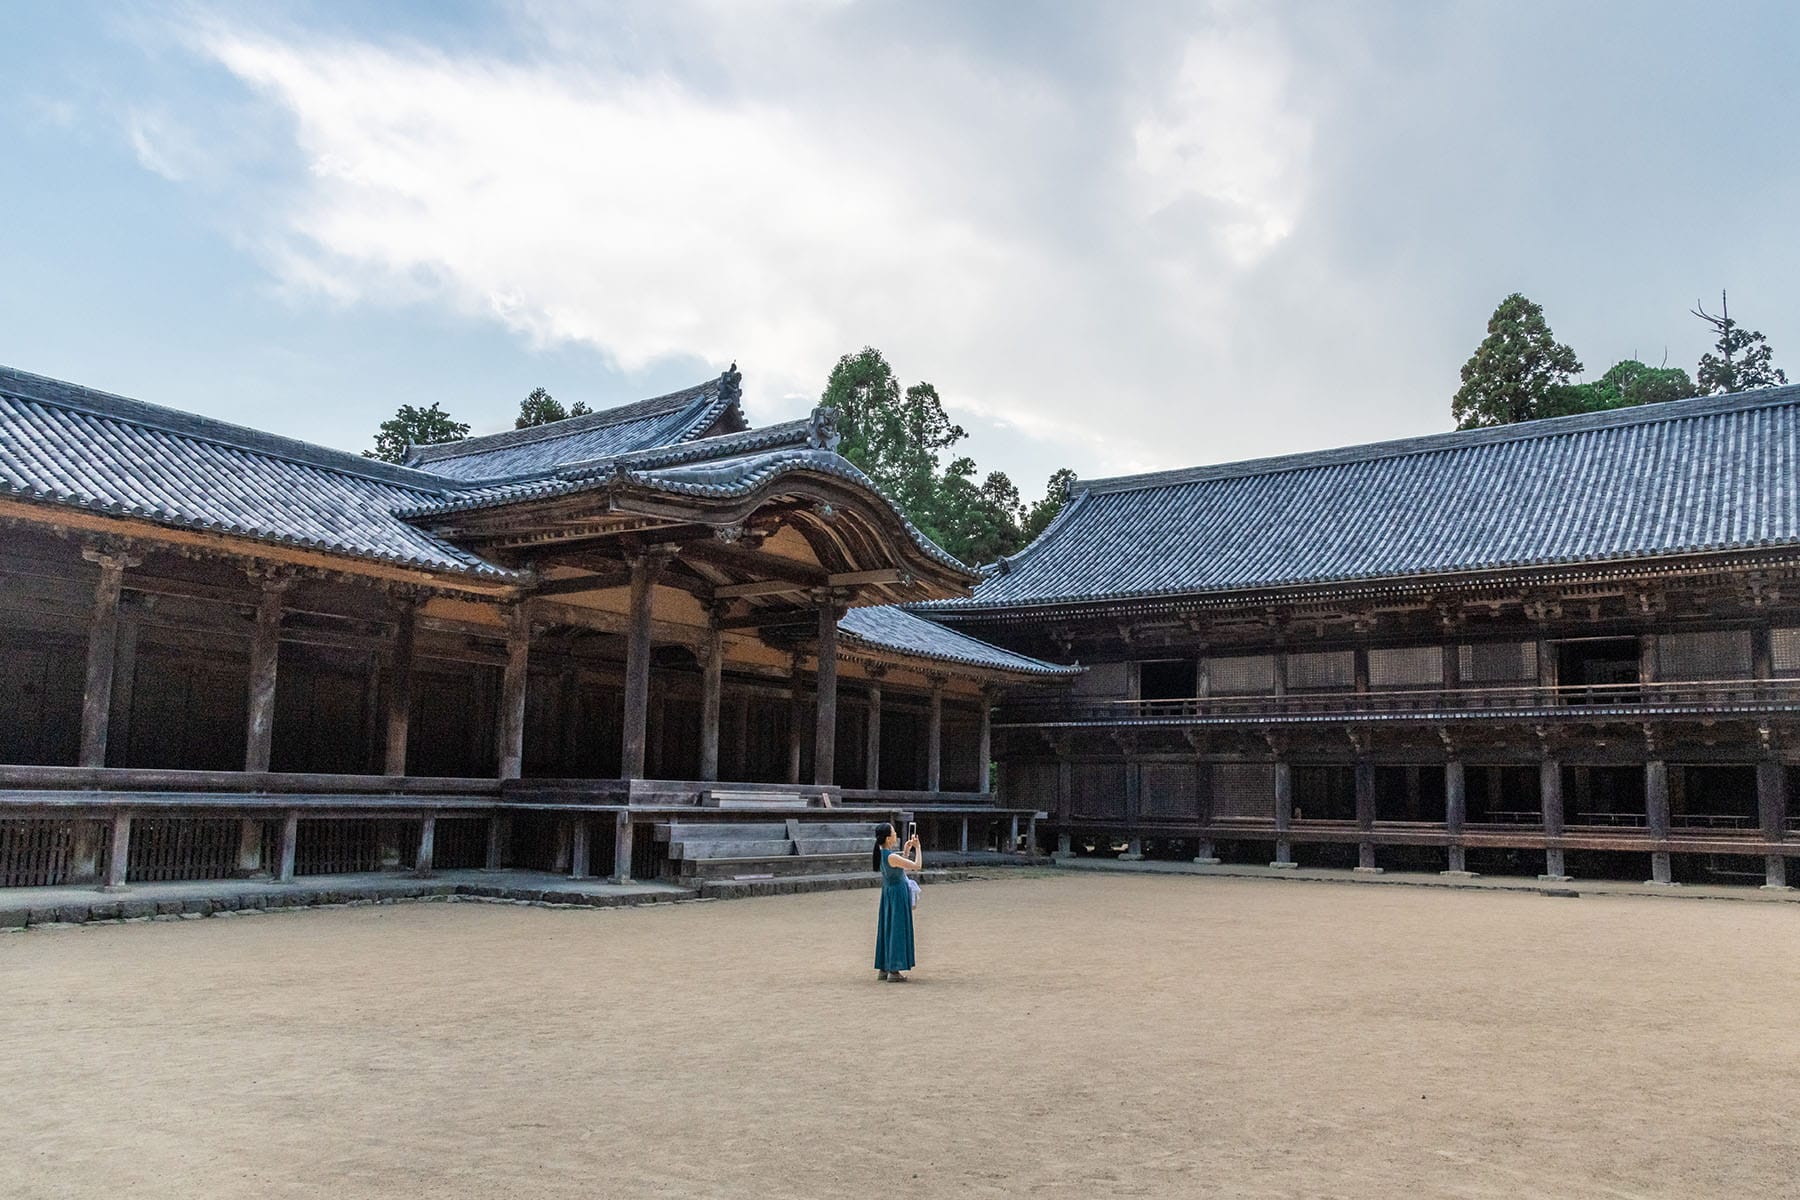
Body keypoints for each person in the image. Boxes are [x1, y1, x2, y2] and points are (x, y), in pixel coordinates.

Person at [872, 822, 921, 982]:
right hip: (897, 894)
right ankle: (894, 969)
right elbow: (917, 866)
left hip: (888, 893)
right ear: (887, 838)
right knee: (897, 929)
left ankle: (884, 967)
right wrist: (918, 848)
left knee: (888, 927)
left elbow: (898, 866)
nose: (895, 836)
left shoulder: (882, 854)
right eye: (893, 833)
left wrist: (906, 850)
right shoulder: (891, 856)